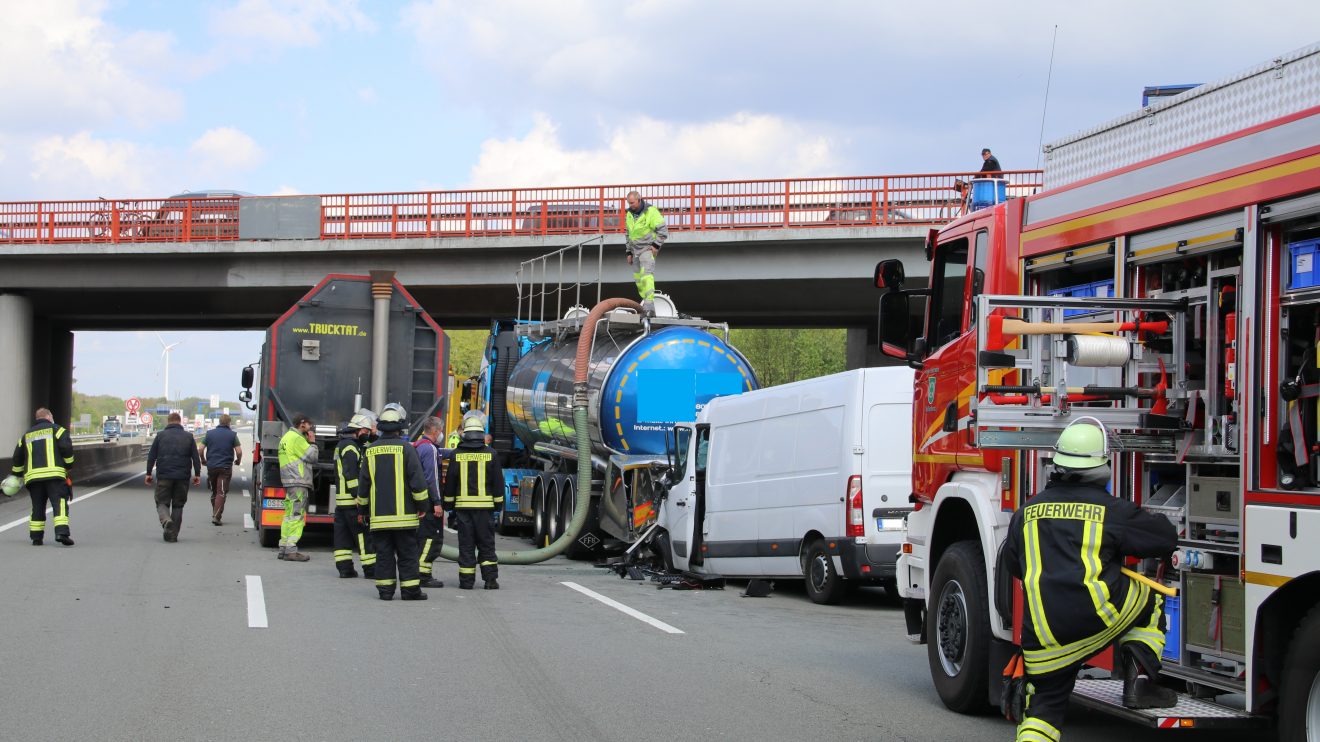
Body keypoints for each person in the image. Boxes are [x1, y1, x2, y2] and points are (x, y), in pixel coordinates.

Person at [1000, 419, 1178, 742]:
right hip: (1097, 620)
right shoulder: (1111, 511)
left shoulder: (1025, 513)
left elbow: (1015, 565)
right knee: (1151, 597)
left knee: (1041, 715)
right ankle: (1138, 683)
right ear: (1102, 465)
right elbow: (1165, 538)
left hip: (1043, 641)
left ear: (1057, 464)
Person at [362, 403, 430, 601]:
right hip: (405, 519)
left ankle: (385, 591)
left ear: (381, 427)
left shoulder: (370, 451)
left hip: (379, 518)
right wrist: (422, 506)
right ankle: (410, 591)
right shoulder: (407, 449)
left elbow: (364, 484)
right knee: (408, 554)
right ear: (400, 427)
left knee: (383, 555)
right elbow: (417, 482)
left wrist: (363, 509)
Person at [442, 413, 505, 590]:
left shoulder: (457, 455)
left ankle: (466, 581)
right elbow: (498, 483)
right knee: (486, 544)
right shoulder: (491, 454)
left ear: (466, 434)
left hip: (463, 511)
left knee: (466, 545)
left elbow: (451, 483)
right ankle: (490, 580)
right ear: (481, 433)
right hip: (485, 510)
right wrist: (498, 507)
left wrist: (448, 506)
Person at [10, 408, 76, 546]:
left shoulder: (26, 435)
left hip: (33, 479)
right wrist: (69, 465)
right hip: (55, 476)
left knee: (38, 506)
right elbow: (66, 448)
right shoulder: (58, 430)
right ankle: (61, 533)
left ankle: (36, 537)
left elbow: (17, 457)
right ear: (49, 416)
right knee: (59, 504)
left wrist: (16, 475)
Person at [332, 409, 377, 578]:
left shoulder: (344, 444)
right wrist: (360, 498)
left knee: (342, 537)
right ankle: (371, 569)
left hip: (342, 502)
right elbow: (351, 475)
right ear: (357, 431)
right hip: (352, 502)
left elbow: (367, 445)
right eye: (365, 432)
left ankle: (345, 568)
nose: (366, 434)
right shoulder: (350, 447)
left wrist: (372, 435)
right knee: (364, 536)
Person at [146, 412, 202, 543]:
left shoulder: (160, 436)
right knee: (178, 505)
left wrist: (149, 473)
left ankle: (166, 520)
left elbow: (151, 456)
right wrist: (197, 474)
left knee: (161, 502)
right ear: (180, 421)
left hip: (164, 475)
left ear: (168, 421)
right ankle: (173, 535)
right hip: (183, 477)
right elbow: (195, 457)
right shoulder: (189, 437)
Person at [277, 414, 318, 562]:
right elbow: (312, 457)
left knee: (288, 515)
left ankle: (283, 547)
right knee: (297, 515)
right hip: (298, 481)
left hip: (288, 481)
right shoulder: (297, 439)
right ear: (302, 424)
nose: (310, 427)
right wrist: (312, 442)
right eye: (309, 424)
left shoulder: (286, 437)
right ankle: (291, 550)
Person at [624, 190, 669, 317]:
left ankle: (649, 306)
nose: (630, 205)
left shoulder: (651, 212)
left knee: (646, 276)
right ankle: (645, 305)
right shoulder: (629, 214)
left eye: (632, 203)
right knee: (638, 280)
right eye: (629, 203)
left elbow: (663, 231)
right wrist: (629, 252)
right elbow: (628, 234)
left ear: (639, 200)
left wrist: (655, 245)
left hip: (647, 249)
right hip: (635, 251)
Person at [414, 417, 446, 588]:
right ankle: (423, 575)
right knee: (430, 539)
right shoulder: (430, 450)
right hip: (429, 502)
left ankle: (419, 572)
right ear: (435, 431)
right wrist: (437, 502)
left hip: (418, 500)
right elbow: (431, 478)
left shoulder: (418, 445)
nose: (441, 434)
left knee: (420, 538)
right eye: (440, 431)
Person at [199, 413, 242, 526]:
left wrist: (203, 460)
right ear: (229, 423)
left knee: (214, 491)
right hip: (225, 468)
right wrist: (238, 460)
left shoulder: (209, 434)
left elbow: (200, 448)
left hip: (211, 466)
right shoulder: (232, 435)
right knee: (221, 492)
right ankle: (216, 516)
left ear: (219, 422)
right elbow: (239, 451)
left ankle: (215, 512)